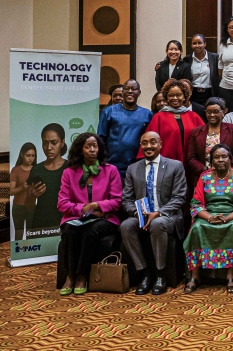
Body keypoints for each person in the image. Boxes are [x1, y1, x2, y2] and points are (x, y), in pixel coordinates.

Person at [120, 131, 187, 296]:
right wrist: (137, 214)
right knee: (125, 226)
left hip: (167, 216)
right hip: (141, 216)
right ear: (140, 146)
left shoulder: (175, 166)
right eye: (144, 143)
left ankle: (160, 274)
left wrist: (158, 213)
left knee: (157, 224)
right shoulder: (132, 169)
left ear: (160, 144)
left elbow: (179, 198)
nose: (148, 146)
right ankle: (144, 273)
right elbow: (126, 199)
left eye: (153, 142)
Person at [55, 134, 122, 296]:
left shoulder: (110, 170)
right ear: (80, 150)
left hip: (105, 219)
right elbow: (62, 203)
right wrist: (85, 209)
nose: (92, 150)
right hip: (76, 218)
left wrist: (98, 206)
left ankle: (82, 276)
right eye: (88, 146)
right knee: (71, 231)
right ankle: (70, 276)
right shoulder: (69, 173)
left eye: (95, 146)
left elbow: (117, 200)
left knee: (90, 232)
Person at [185, 144, 233, 295]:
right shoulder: (205, 177)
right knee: (196, 228)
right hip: (209, 214)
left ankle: (231, 275)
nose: (221, 160)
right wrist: (209, 217)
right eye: (217, 157)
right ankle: (195, 276)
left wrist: (227, 218)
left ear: (230, 159)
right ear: (211, 160)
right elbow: (195, 204)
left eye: (224, 156)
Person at [98, 78, 153, 180]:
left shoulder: (147, 114)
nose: (130, 91)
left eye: (134, 89)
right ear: (122, 92)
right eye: (127, 88)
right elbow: (101, 138)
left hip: (138, 166)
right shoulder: (109, 112)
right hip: (112, 166)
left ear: (139, 93)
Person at [186, 97, 233, 193]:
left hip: (229, 176)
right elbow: (191, 157)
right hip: (204, 177)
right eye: (209, 112)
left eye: (216, 111)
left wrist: (225, 168)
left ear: (223, 112)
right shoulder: (196, 132)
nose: (212, 115)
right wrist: (204, 170)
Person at [143, 79, 205, 163]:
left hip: (191, 164)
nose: (175, 98)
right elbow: (150, 141)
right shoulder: (158, 117)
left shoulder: (194, 116)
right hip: (166, 164)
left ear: (184, 97)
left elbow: (203, 140)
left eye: (179, 95)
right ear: (167, 97)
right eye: (171, 95)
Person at [26, 124, 68, 236]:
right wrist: (33, 196)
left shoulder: (70, 168)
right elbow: (28, 206)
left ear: (62, 143)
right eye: (45, 143)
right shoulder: (36, 170)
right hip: (40, 225)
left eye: (54, 142)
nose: (48, 147)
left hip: (65, 224)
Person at [10, 143, 37, 240]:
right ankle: (19, 254)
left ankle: (30, 254)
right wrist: (22, 187)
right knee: (19, 234)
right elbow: (11, 192)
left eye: (33, 156)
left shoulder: (37, 169)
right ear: (22, 155)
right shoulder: (16, 170)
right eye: (28, 155)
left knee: (31, 235)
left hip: (32, 206)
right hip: (18, 207)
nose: (31, 158)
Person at [187, 34, 220, 108]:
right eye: (194, 43)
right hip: (193, 94)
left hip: (210, 93)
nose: (197, 45)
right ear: (191, 45)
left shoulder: (214, 58)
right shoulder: (187, 59)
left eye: (200, 43)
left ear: (205, 44)